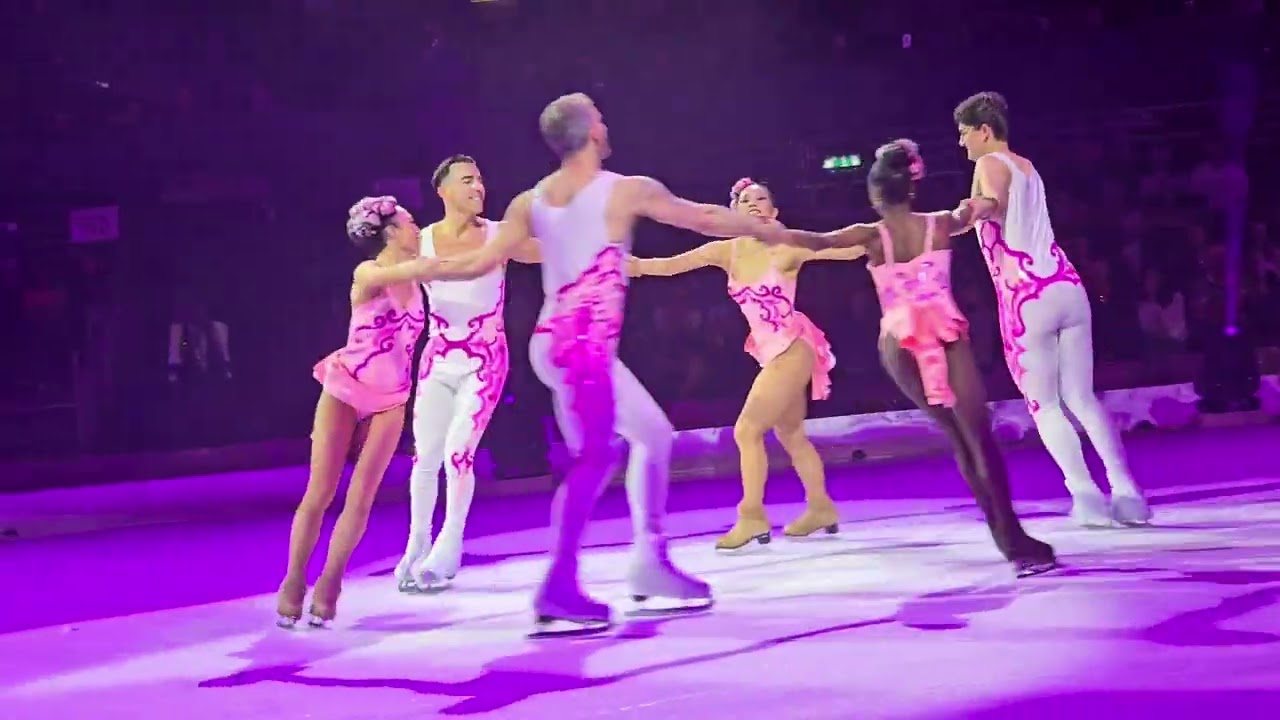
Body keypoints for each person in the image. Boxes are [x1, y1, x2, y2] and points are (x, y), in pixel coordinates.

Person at [418, 92, 788, 634]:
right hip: (581, 347)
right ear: (592, 131)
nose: (607, 122)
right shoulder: (623, 189)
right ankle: (563, 582)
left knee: (651, 437)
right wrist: (762, 227)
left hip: (556, 343)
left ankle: (647, 562)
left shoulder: (532, 200)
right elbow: (704, 217)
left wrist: (403, 271)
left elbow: (477, 261)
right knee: (596, 457)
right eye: (600, 116)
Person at [777, 140, 1058, 577]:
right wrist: (986, 193)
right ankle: (1013, 541)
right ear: (911, 187)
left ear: (875, 195)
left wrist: (760, 232)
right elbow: (977, 209)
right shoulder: (940, 224)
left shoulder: (869, 235)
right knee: (977, 435)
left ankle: (1007, 538)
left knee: (959, 436)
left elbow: (816, 241)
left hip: (898, 340)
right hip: (943, 331)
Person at [627, 178, 864, 550]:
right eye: (744, 200)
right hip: (769, 351)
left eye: (761, 199)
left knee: (746, 430)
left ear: (774, 212)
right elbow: (671, 265)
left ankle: (751, 516)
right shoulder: (727, 252)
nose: (753, 204)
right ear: (732, 212)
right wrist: (633, 266)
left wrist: (883, 235)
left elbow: (838, 248)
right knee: (791, 434)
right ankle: (821, 507)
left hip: (793, 347)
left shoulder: (786, 248)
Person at [952, 91, 1151, 527]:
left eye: (965, 134)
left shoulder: (988, 165)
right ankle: (1127, 492)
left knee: (1044, 404)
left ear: (985, 130)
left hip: (1027, 297)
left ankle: (1087, 497)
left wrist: (961, 214)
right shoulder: (1030, 167)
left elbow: (993, 206)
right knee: (1082, 396)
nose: (962, 144)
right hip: (1066, 285)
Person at [277, 196, 435, 627]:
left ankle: (330, 582)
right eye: (410, 223)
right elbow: (404, 270)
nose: (417, 230)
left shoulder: (418, 281)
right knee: (320, 492)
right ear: (389, 232)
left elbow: (421, 273)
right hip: (347, 387)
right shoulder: (368, 273)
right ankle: (293, 580)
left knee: (361, 496)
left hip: (391, 398)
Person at [395, 155, 541, 593]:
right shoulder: (419, 243)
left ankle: (450, 542)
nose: (479, 186)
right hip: (437, 360)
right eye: (467, 180)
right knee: (425, 457)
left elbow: (548, 252)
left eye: (480, 178)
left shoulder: (500, 236)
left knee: (459, 452)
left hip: (483, 360)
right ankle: (417, 539)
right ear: (442, 191)